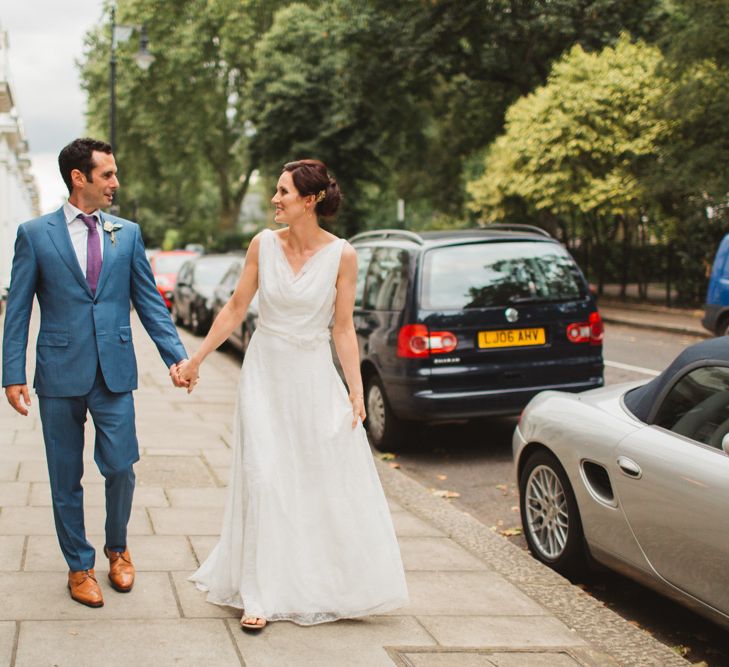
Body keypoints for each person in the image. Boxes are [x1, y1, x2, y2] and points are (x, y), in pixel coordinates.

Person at [180, 159, 408, 630]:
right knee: (264, 476)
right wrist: (198, 358)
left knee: (309, 477)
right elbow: (236, 307)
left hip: (311, 376)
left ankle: (317, 579)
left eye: (283, 192)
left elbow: (343, 329)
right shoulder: (262, 245)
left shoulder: (343, 255)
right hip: (264, 373)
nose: (275, 200)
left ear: (310, 201)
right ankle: (258, 594)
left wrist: (354, 389)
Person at [2, 138, 189, 608]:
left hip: (114, 372)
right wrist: (12, 372)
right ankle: (79, 565)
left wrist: (176, 358)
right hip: (59, 371)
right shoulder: (34, 233)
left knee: (122, 467)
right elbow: (18, 310)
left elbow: (149, 302)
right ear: (78, 177)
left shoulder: (126, 233)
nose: (115, 183)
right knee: (65, 475)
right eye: (107, 174)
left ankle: (118, 549)